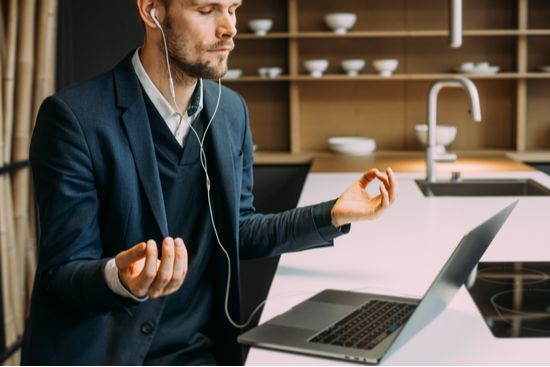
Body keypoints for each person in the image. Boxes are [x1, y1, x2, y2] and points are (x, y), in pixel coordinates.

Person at [21, 0, 398, 364]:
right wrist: (120, 279)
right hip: (107, 354)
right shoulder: (74, 119)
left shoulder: (231, 111)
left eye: (233, 9)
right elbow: (63, 275)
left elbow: (238, 229)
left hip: (199, 353)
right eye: (207, 10)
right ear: (151, 10)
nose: (229, 28)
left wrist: (332, 214)